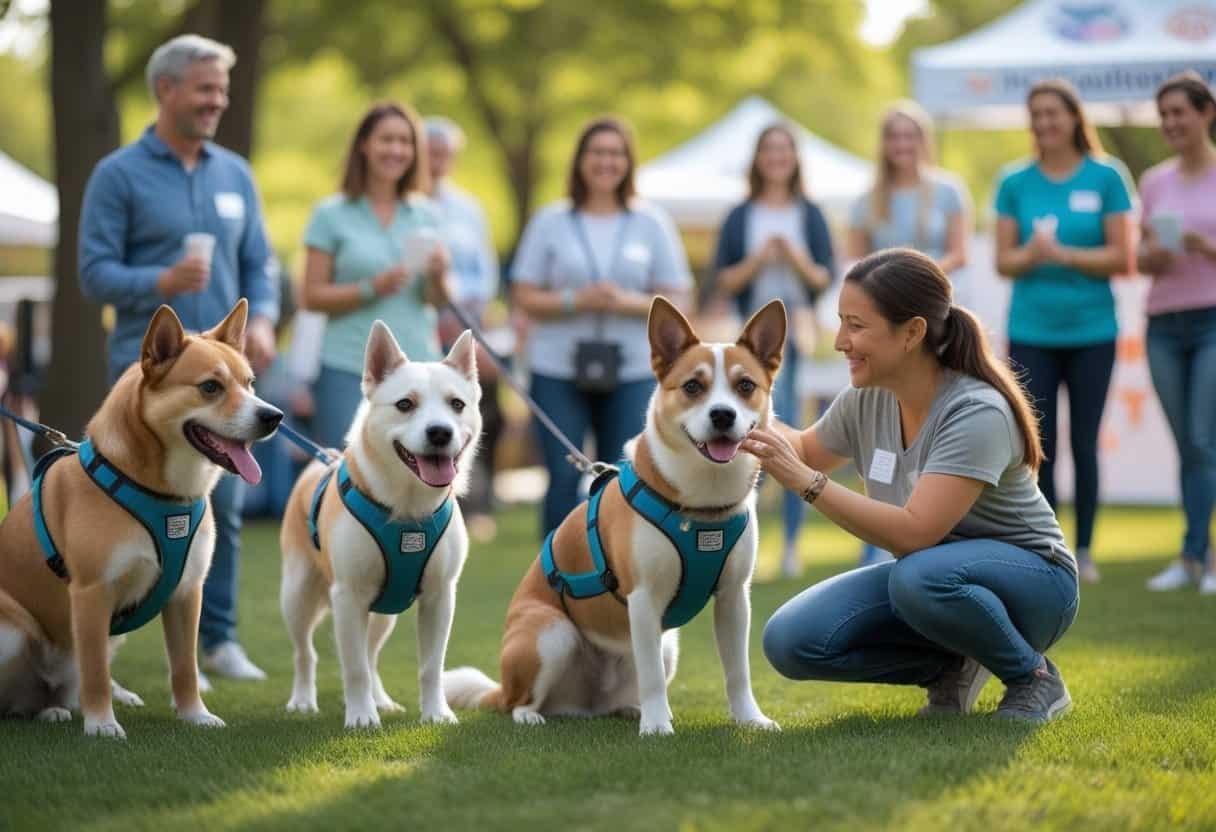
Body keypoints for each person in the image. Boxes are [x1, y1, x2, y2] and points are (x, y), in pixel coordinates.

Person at [752, 248, 1079, 724]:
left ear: (912, 333)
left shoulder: (976, 411)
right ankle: (955, 667)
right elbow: (802, 450)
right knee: (790, 640)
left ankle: (1033, 679)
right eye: (841, 322)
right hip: (932, 583)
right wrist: (735, 402)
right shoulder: (864, 398)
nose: (841, 341)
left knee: (918, 575)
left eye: (856, 325)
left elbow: (913, 533)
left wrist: (808, 485)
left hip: (1037, 587)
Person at [78, 34, 278, 683]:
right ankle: (100, 646)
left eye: (222, 89)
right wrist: (157, 284)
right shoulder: (118, 174)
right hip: (150, 382)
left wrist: (266, 319)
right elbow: (93, 271)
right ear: (166, 89)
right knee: (125, 514)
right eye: (205, 88)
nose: (217, 101)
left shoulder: (234, 174)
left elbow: (259, 263)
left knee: (225, 511)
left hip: (225, 381)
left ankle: (217, 639)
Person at [511, 116, 692, 537]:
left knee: (622, 473)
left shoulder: (652, 223)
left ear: (628, 162)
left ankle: (611, 568)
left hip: (631, 369)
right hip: (557, 367)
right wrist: (576, 300)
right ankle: (552, 575)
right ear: (580, 161)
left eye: (615, 153)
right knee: (561, 470)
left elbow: (679, 301)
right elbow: (523, 293)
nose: (605, 162)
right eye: (596, 153)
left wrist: (626, 302)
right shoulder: (551, 221)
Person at [994, 79, 1134, 584]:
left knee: (1085, 442)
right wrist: (1032, 254)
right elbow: (1003, 261)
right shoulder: (1014, 182)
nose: (1045, 123)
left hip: (1093, 330)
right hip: (1031, 330)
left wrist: (1065, 255)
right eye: (1037, 115)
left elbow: (1123, 256)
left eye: (1054, 113)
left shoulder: (1107, 177)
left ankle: (1088, 548)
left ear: (1075, 117)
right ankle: (1048, 548)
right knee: (1039, 444)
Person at [848, 100, 972, 568]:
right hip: (880, 334)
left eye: (910, 136)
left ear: (923, 141)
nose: (902, 146)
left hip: (935, 324)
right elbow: (854, 268)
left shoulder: (948, 192)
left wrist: (913, 285)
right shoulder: (866, 200)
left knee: (932, 425)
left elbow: (960, 252)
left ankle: (935, 526)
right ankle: (874, 538)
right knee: (880, 429)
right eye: (894, 137)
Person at [714, 122, 834, 577]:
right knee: (746, 436)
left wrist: (795, 257)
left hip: (796, 338)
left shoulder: (811, 213)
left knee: (788, 434)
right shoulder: (741, 215)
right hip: (746, 343)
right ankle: (742, 538)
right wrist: (760, 259)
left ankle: (790, 544)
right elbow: (724, 279)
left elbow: (825, 277)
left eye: (785, 149)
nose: (777, 157)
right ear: (758, 158)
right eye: (769, 149)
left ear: (795, 158)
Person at [299, 102, 451, 449]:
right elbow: (311, 295)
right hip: (347, 364)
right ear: (364, 145)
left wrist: (439, 276)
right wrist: (372, 288)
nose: (396, 150)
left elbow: (437, 300)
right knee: (346, 467)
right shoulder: (331, 214)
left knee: (416, 470)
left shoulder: (427, 214)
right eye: (386, 140)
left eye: (405, 141)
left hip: (419, 365)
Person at [1138, 72, 1216, 596]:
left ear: (1206, 113)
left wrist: (1205, 247)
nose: (1170, 122)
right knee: (1188, 446)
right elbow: (1139, 256)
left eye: (1179, 112)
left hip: (1212, 318)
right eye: (1163, 114)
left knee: (1203, 439)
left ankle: (1201, 558)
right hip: (1163, 323)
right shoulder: (1153, 182)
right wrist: (1155, 255)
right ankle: (1193, 558)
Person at [426, 115, 503, 541]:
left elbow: (485, 275)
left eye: (444, 154)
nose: (438, 161)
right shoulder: (407, 204)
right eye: (431, 152)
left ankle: (475, 502)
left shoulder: (469, 209)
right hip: (419, 331)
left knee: (476, 412)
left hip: (465, 328)